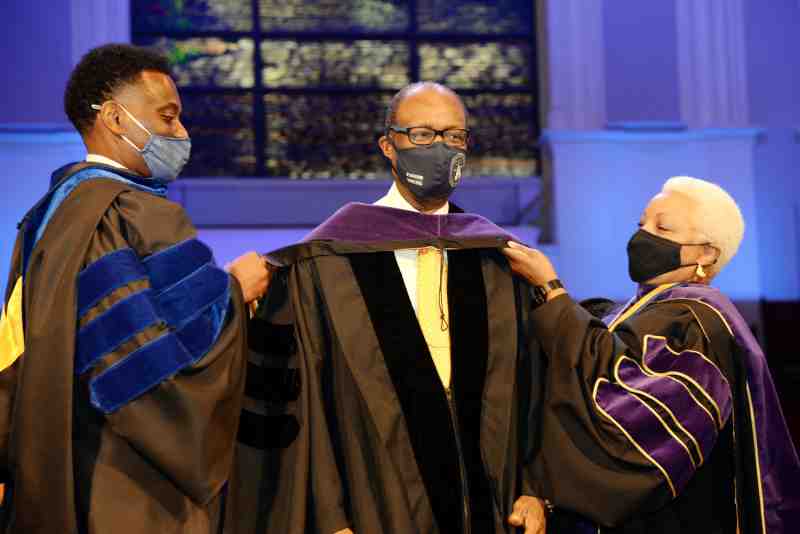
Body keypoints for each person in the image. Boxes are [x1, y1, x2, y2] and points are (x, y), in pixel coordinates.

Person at [235, 82, 547, 534]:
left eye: (453, 136)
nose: (439, 148)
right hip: (374, 507)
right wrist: (329, 518)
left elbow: (535, 386)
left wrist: (535, 487)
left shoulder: (497, 257)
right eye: (421, 135)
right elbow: (305, 400)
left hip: (493, 508)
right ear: (388, 145)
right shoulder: (328, 260)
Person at [0, 44, 270, 533]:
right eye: (168, 118)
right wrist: (235, 290)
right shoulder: (130, 213)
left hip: (55, 472)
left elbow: (12, 357)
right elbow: (153, 370)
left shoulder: (41, 219)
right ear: (116, 118)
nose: (181, 133)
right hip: (130, 487)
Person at [502, 176, 800, 533]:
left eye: (664, 227)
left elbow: (621, 401)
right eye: (642, 224)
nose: (643, 235)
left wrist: (550, 288)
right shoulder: (647, 308)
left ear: (706, 253)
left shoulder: (699, 321)